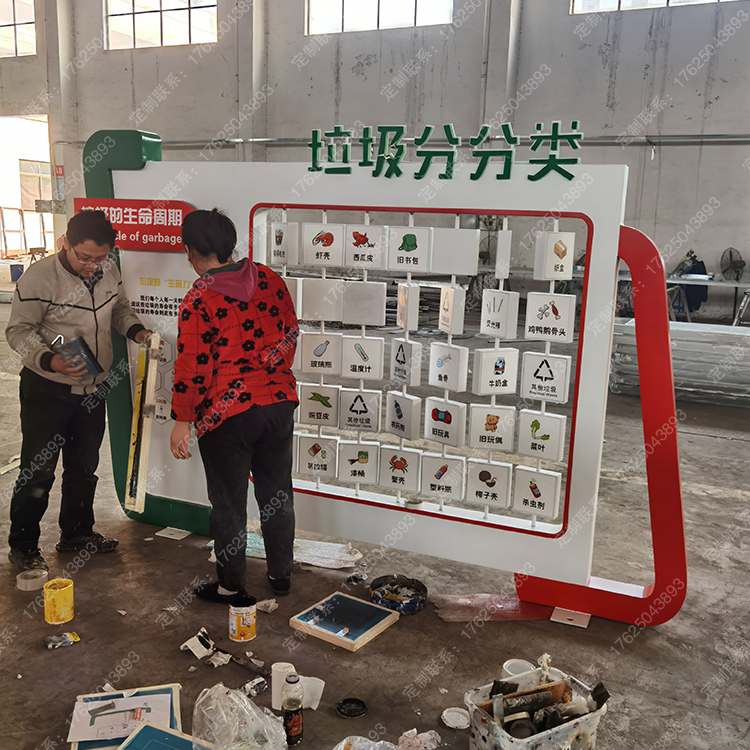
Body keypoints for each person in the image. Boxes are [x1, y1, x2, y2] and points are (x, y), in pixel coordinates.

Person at [5, 210, 151, 572]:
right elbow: (19, 331)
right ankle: (23, 546)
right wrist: (50, 360)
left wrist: (138, 332)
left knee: (84, 466)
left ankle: (77, 533)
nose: (92, 266)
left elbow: (120, 309)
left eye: (100, 258)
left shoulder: (108, 271)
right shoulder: (40, 278)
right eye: (85, 257)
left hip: (92, 388)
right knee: (39, 471)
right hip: (47, 389)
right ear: (65, 244)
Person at [169, 209, 299, 603]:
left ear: (190, 252)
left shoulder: (199, 297)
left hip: (228, 414)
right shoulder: (269, 278)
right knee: (277, 495)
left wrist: (182, 420)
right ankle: (280, 576)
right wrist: (269, 372)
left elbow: (193, 366)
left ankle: (230, 586)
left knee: (228, 505)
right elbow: (291, 333)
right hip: (278, 403)